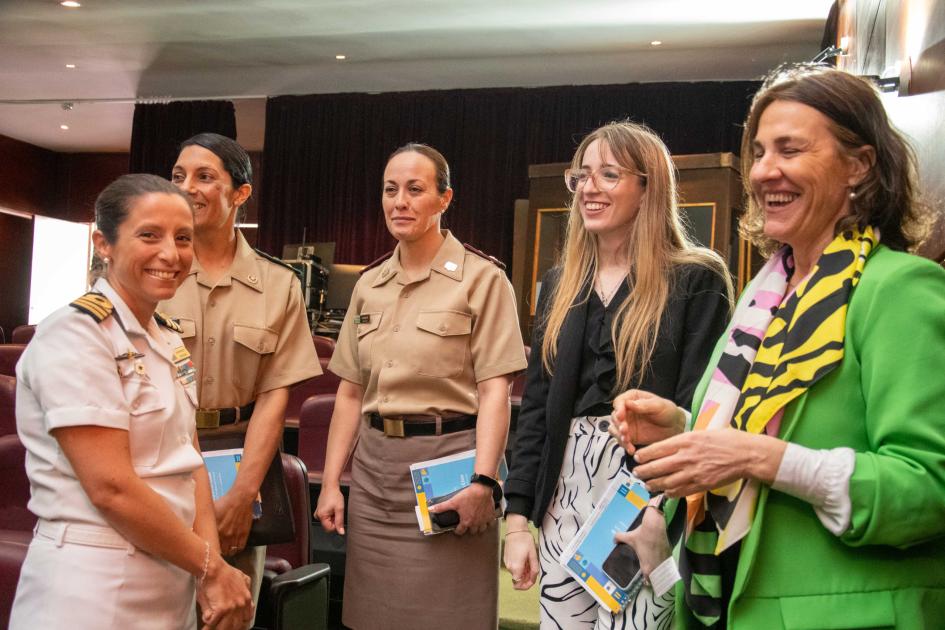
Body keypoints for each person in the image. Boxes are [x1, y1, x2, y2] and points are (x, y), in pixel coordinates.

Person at [611, 64, 945, 629]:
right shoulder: (763, 297)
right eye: (760, 152)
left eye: (789, 150)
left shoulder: (900, 289)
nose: (765, 171)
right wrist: (684, 429)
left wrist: (753, 457)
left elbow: (929, 487)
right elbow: (770, 431)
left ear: (858, 166)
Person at [502, 121, 733, 629]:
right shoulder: (560, 282)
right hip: (566, 488)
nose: (589, 187)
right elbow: (537, 410)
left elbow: (704, 412)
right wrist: (518, 522)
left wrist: (664, 510)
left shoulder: (697, 277)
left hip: (651, 493)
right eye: (582, 175)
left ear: (648, 186)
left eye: (608, 174)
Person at [10, 174, 253, 629]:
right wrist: (211, 568)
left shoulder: (165, 339)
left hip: (170, 573)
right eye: (149, 235)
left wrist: (206, 565)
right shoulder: (75, 334)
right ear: (104, 243)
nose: (171, 253)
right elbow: (111, 488)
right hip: (92, 581)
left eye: (183, 238)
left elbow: (190, 459)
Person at [315, 142, 527, 629]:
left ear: (444, 199)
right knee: (369, 617)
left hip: (450, 469)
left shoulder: (482, 279)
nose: (400, 202)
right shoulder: (369, 283)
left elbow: (497, 391)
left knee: (450, 618)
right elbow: (350, 393)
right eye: (390, 190)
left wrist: (484, 481)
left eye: (415, 189)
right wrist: (330, 483)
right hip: (374, 478)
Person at [162, 133, 322, 626]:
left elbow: (274, 399)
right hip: (160, 463)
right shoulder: (153, 269)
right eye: (178, 177)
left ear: (240, 194)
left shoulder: (278, 284)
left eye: (205, 177)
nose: (188, 188)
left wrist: (243, 494)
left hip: (237, 463)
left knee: (226, 610)